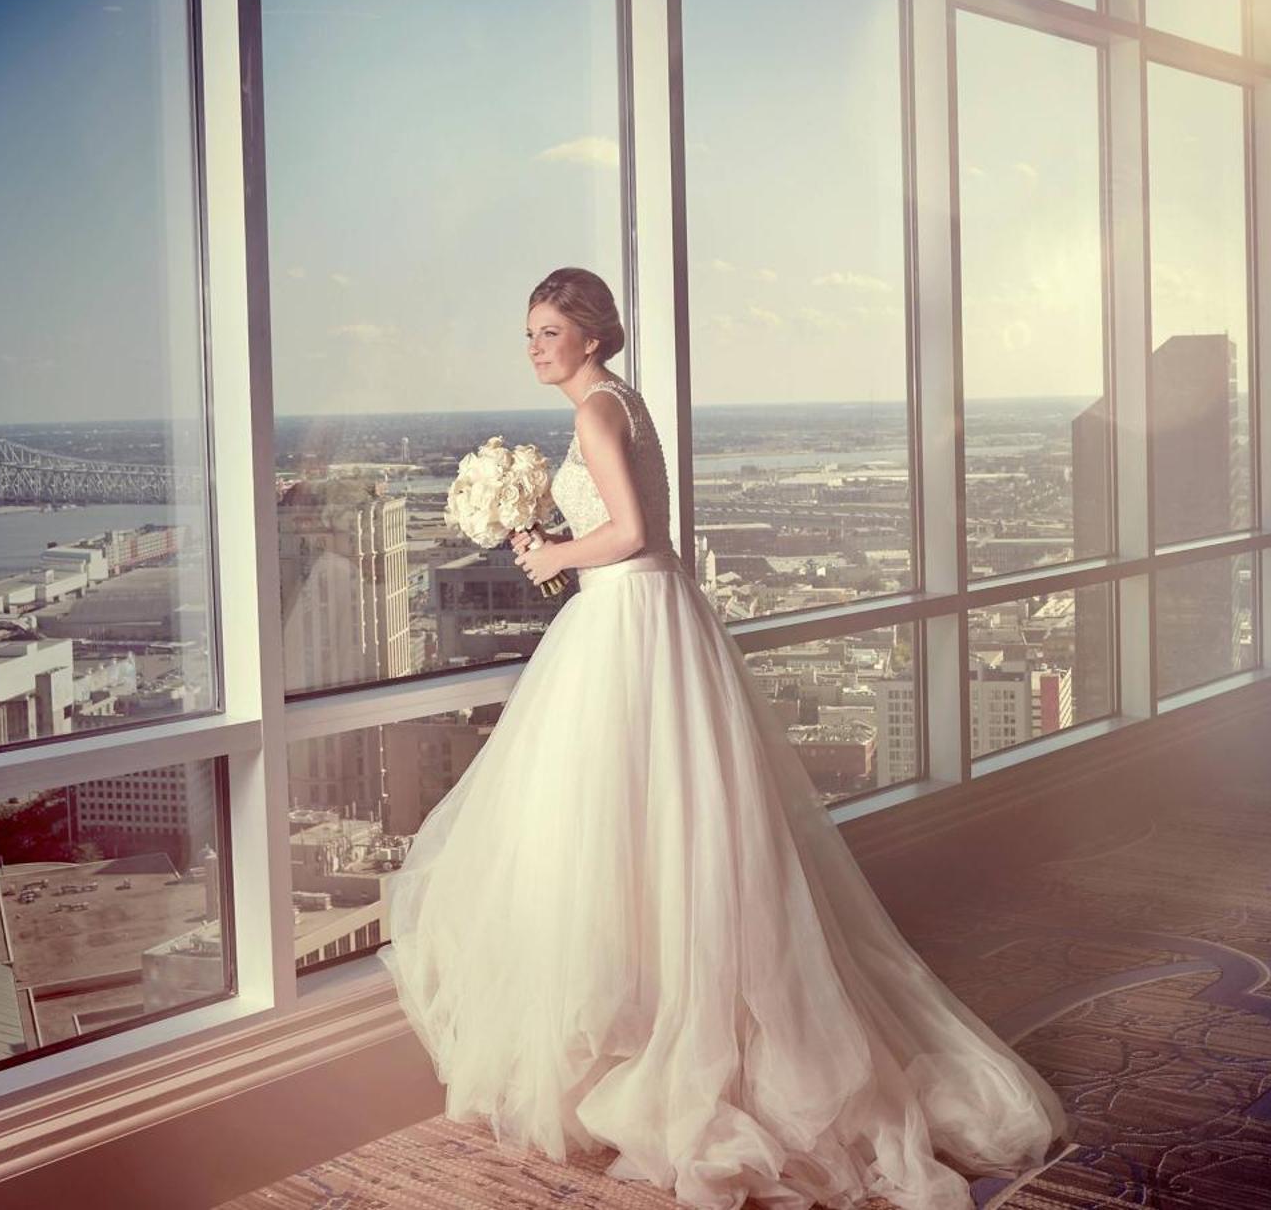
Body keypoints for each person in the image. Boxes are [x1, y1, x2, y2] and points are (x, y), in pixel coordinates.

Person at [376, 267, 1067, 1210]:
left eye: (548, 331)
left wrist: (549, 551)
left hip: (627, 625)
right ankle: (666, 1027)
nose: (533, 346)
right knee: (668, 834)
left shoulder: (595, 414)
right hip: (650, 621)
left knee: (611, 830)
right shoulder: (621, 401)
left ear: (588, 334)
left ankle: (662, 1046)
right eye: (528, 332)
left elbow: (635, 531)